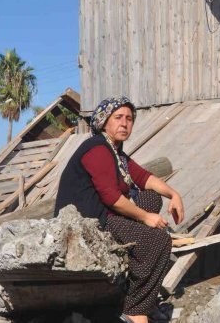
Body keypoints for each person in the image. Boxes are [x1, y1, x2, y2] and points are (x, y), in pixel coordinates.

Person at [55, 96, 184, 323]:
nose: (125, 123)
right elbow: (111, 198)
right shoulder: (96, 149)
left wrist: (174, 194)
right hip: (90, 221)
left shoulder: (117, 154)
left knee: (151, 198)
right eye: (118, 118)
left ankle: (139, 272)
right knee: (159, 241)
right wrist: (146, 218)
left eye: (130, 119)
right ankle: (135, 310)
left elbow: (144, 178)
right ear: (105, 121)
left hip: (106, 214)